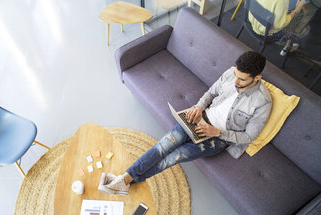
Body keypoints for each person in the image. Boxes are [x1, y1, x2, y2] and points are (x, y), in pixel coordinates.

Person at [99, 51, 272, 195]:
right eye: (236, 75)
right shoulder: (231, 73)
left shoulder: (262, 101)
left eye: (241, 80)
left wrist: (218, 133)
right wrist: (198, 106)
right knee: (163, 146)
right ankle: (125, 180)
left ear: (257, 78)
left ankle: (123, 181)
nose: (235, 82)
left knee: (175, 156)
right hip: (200, 118)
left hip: (218, 138)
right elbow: (211, 93)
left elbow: (249, 136)